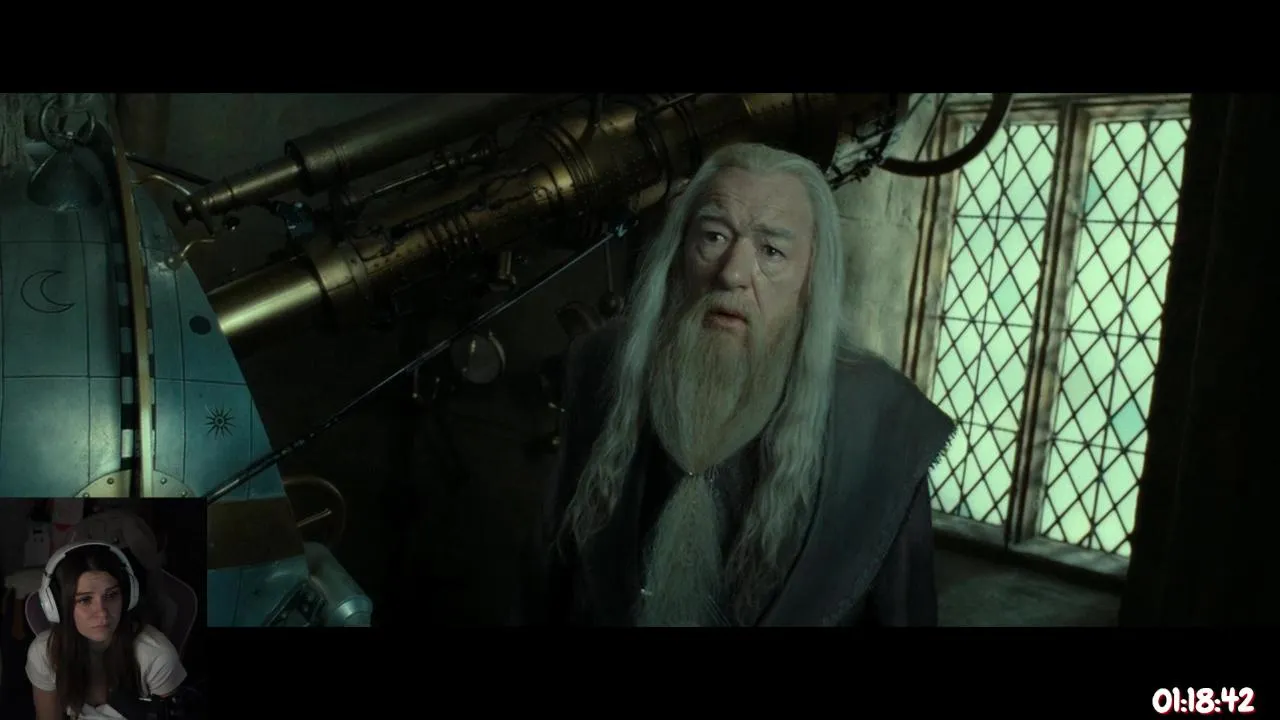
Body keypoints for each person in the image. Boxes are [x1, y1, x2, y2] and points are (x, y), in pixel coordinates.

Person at [517, 142, 955, 627]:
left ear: (812, 276)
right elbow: (553, 580)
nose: (732, 274)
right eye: (714, 236)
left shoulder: (882, 422)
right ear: (679, 251)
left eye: (771, 251)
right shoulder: (603, 364)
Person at [26, 542, 186, 720]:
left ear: (128, 597)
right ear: (56, 606)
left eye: (111, 595)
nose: (102, 612)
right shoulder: (45, 653)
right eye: (85, 600)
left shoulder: (156, 656)